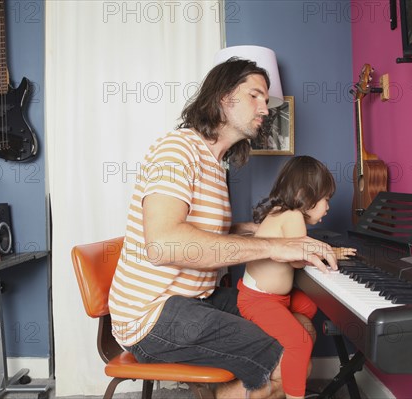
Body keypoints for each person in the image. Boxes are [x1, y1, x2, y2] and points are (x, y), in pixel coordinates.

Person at [108, 58, 338, 399]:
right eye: (255, 96)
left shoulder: (214, 163)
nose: (266, 107)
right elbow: (164, 243)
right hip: (152, 314)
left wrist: (262, 232)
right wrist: (275, 247)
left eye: (266, 99)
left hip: (197, 298)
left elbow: (206, 228)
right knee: (291, 357)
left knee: (299, 325)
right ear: (222, 98)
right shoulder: (178, 150)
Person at [237, 156, 357, 399]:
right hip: (259, 302)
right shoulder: (291, 216)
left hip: (272, 298)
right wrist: (327, 253)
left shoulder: (281, 212)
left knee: (314, 303)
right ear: (305, 194)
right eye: (326, 199)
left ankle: (286, 349)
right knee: (300, 342)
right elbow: (296, 258)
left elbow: (298, 250)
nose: (328, 207)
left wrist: (326, 250)